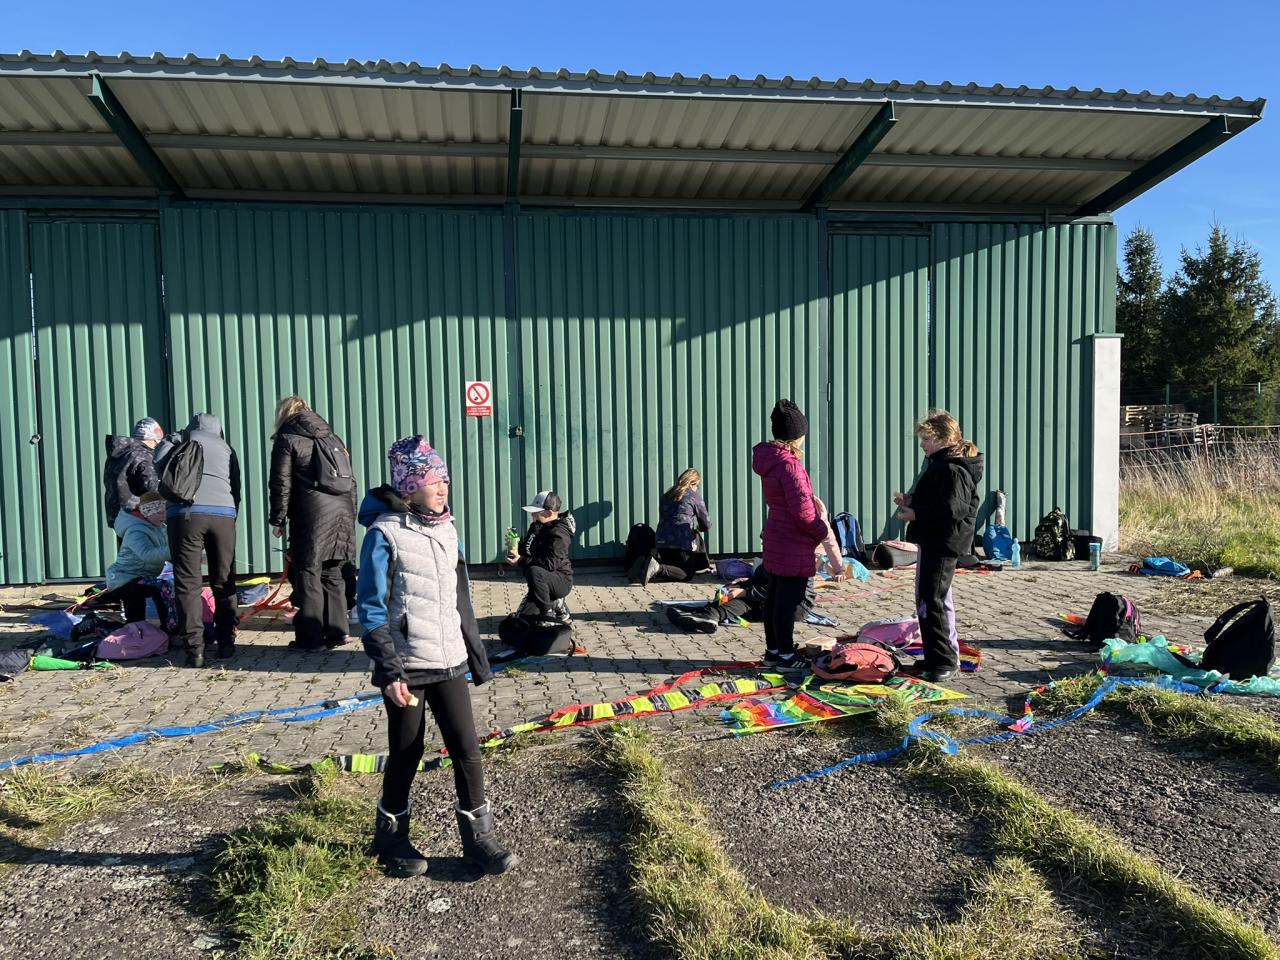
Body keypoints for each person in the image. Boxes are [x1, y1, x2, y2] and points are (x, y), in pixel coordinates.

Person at [357, 436, 517, 878]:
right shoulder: (384, 534)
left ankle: (479, 839)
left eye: (444, 479)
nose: (442, 488)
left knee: (466, 748)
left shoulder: (448, 529)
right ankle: (390, 838)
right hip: (407, 668)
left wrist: (475, 655)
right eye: (432, 481)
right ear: (409, 488)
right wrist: (389, 670)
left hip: (450, 661)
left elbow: (461, 598)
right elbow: (370, 609)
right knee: (406, 752)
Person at [751, 399, 845, 674]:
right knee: (788, 602)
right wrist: (822, 530)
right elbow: (803, 512)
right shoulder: (790, 466)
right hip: (793, 541)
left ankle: (773, 651)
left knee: (774, 597)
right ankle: (785, 654)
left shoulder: (770, 461)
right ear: (797, 435)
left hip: (776, 534)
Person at [894, 409, 983, 682]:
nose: (922, 444)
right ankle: (937, 655)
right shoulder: (941, 465)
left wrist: (916, 514)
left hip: (943, 543)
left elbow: (952, 510)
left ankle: (944, 660)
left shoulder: (952, 469)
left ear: (943, 439)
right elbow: (939, 499)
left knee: (933, 600)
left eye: (926, 439)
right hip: (935, 540)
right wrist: (912, 500)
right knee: (930, 599)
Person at [268, 396, 357, 651]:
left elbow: (281, 483)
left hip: (311, 515)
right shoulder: (333, 438)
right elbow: (351, 481)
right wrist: (350, 515)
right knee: (334, 574)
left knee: (308, 573)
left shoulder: (287, 439)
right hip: (341, 512)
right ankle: (338, 632)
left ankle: (311, 639)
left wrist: (277, 518)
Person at [155, 414, 240, 668]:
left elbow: (159, 465)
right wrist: (230, 514)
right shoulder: (226, 447)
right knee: (224, 579)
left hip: (185, 515)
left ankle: (195, 650)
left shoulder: (182, 441)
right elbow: (236, 487)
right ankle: (226, 643)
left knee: (188, 583)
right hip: (223, 516)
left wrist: (171, 439)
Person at [666, 563, 821, 634]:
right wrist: (741, 584)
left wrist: (744, 592)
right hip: (777, 604)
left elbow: (783, 591)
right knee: (732, 598)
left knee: (746, 600)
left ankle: (708, 614)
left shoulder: (792, 559)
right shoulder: (772, 557)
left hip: (795, 606)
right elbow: (760, 579)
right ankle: (702, 614)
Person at [630, 469, 711, 584]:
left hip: (661, 541)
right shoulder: (694, 497)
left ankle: (644, 565)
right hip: (680, 543)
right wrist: (699, 529)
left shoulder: (667, 495)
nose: (697, 489)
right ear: (693, 483)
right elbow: (706, 524)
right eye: (697, 486)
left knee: (672, 570)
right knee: (687, 574)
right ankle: (658, 568)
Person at [506, 491, 575, 622]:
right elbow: (527, 550)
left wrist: (521, 560)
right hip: (540, 582)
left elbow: (550, 564)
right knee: (523, 620)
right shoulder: (536, 526)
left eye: (536, 512)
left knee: (535, 571)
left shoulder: (559, 533)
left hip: (560, 580)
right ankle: (555, 602)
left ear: (548, 513)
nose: (532, 515)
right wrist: (515, 547)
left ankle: (548, 614)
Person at [105, 491, 171, 626]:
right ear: (146, 513)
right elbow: (148, 555)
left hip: (141, 577)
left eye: (165, 511)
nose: (163, 515)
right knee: (161, 587)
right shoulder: (135, 531)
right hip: (125, 579)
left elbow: (169, 551)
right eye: (159, 512)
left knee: (135, 623)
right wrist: (176, 549)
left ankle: (105, 627)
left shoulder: (160, 529)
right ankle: (170, 628)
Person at [103, 417, 164, 529]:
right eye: (157, 442)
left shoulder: (118, 455)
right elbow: (150, 485)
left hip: (117, 515)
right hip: (136, 515)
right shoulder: (142, 454)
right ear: (152, 439)